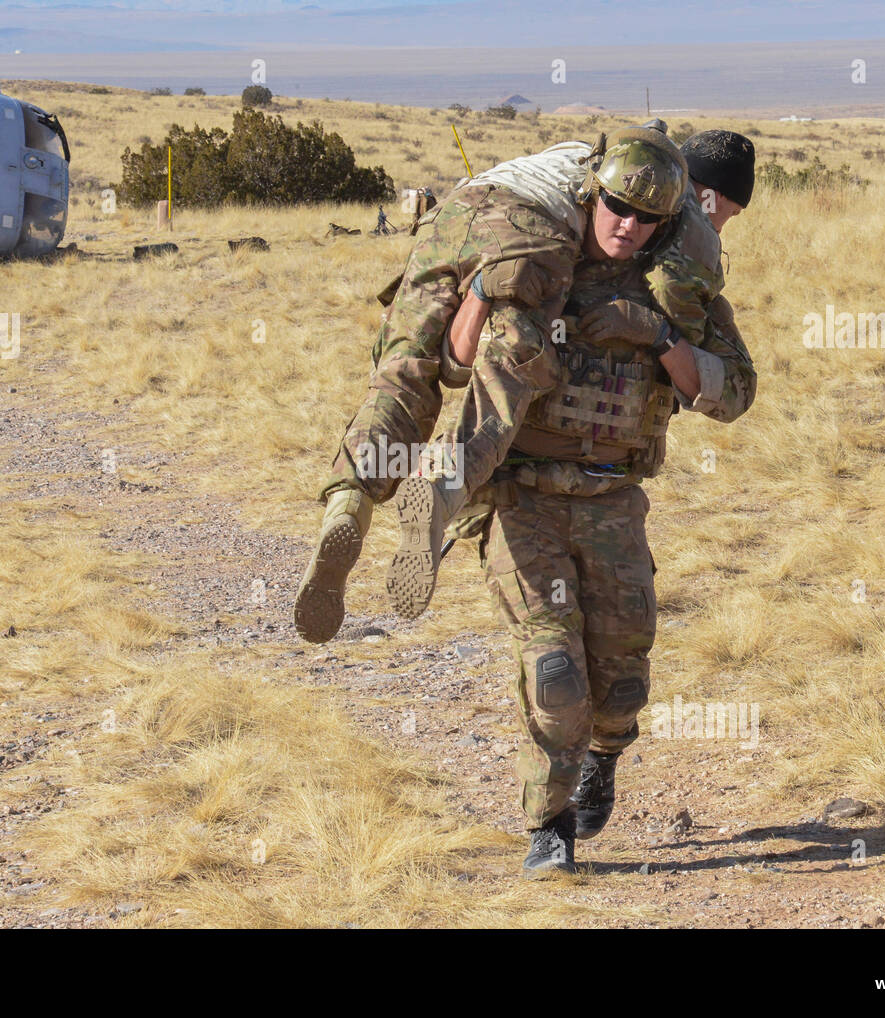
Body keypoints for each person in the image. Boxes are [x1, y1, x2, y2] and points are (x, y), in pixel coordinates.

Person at [439, 129, 758, 876]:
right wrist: (486, 289)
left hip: (614, 500)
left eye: (646, 218)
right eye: (616, 208)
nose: (627, 226)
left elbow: (734, 393)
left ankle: (604, 757)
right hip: (523, 498)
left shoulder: (676, 291)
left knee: (620, 684)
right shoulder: (543, 262)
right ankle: (547, 827)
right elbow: (455, 365)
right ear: (593, 197)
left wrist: (657, 338)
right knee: (554, 672)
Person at [295, 125, 692, 644]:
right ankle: (442, 491)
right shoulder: (668, 195)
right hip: (527, 227)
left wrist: (477, 290)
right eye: (623, 208)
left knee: (402, 372)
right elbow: (473, 369)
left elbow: (450, 365)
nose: (632, 222)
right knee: (514, 369)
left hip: (454, 215)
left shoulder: (564, 157)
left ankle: (348, 504)